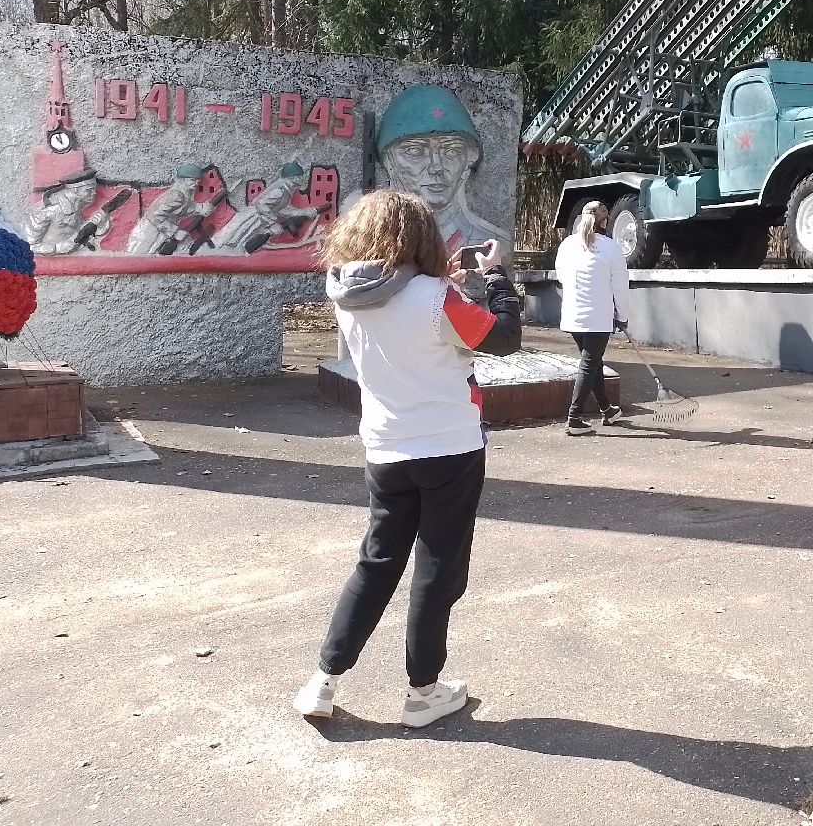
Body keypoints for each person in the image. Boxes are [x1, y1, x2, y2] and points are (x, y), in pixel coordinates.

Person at [292, 189, 521, 727]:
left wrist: (453, 286)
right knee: (437, 568)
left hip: (385, 448)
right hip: (449, 448)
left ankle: (322, 681)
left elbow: (405, 313)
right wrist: (497, 279)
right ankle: (423, 692)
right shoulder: (439, 300)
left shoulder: (346, 291)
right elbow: (504, 338)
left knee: (376, 564)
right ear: (421, 236)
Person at [376, 86, 513, 256]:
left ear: (469, 160)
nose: (436, 167)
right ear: (390, 161)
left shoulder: (494, 246)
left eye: (452, 151)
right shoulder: (372, 243)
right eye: (415, 151)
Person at [554, 200, 632, 436]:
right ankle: (574, 419)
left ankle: (607, 410)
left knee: (594, 362)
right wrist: (622, 316)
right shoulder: (611, 248)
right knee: (589, 363)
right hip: (598, 317)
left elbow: (561, 277)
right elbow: (620, 286)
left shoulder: (568, 244)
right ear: (605, 221)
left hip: (573, 315)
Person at [212, 162, 322, 253]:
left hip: (260, 219)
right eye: (299, 176)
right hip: (253, 218)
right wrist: (273, 223)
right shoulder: (279, 191)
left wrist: (305, 212)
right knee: (232, 241)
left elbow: (283, 209)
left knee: (237, 243)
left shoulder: (287, 190)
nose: (302, 178)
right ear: (292, 177)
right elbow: (261, 205)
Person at [126, 163, 215, 254]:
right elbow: (156, 216)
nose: (196, 184)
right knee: (138, 259)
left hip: (159, 232)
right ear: (183, 180)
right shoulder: (176, 195)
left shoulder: (183, 195)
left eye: (198, 181)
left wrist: (201, 208)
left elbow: (183, 208)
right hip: (148, 234)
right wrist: (175, 231)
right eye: (192, 180)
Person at [27, 168, 112, 254]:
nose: (94, 193)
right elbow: (30, 245)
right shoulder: (49, 211)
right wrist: (60, 248)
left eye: (94, 189)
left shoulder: (76, 206)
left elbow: (78, 234)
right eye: (89, 190)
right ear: (76, 190)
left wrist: (98, 224)